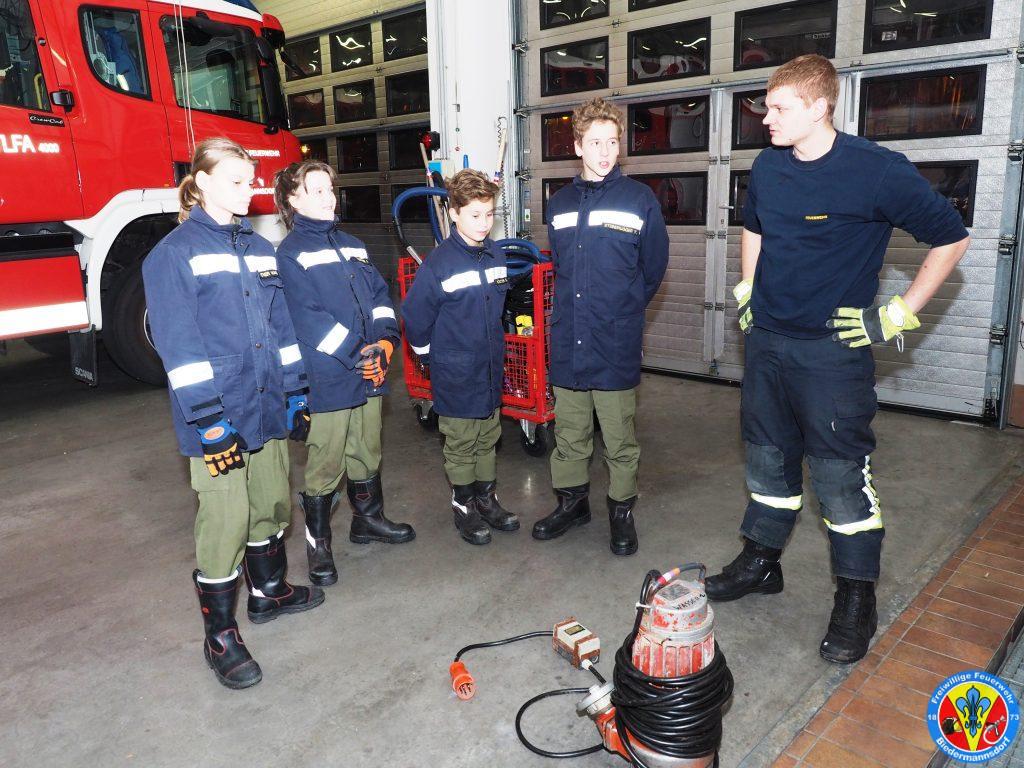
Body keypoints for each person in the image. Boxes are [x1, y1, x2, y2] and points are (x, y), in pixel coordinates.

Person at [704, 55, 971, 664]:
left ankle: (856, 597)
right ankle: (761, 562)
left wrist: (895, 315)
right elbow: (755, 228)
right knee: (767, 460)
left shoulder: (876, 171)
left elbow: (952, 238)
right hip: (767, 344)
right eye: (767, 106)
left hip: (832, 353)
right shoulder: (769, 165)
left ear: (821, 107)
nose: (766, 118)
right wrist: (748, 290)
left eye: (780, 108)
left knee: (838, 479)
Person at [143, 138, 324, 690]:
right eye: (236, 181)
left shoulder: (261, 249)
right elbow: (179, 349)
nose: (250, 191)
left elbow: (282, 329)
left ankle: (269, 593)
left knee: (270, 504)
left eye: (251, 181)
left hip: (266, 405)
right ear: (200, 183)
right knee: (225, 519)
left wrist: (296, 392)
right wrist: (210, 422)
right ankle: (220, 635)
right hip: (218, 415)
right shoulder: (173, 254)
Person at [533, 97, 669, 556]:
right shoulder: (559, 203)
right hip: (568, 338)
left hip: (614, 340)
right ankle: (572, 504)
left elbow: (653, 268)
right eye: (595, 143)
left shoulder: (639, 200)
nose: (605, 152)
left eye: (612, 142)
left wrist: (623, 309)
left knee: (618, 436)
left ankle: (621, 512)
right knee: (569, 432)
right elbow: (562, 267)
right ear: (577, 146)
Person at [273, 160, 415, 588]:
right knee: (326, 460)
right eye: (316, 190)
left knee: (366, 448)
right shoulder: (290, 254)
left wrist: (386, 341)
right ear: (293, 200)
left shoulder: (353, 244)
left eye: (330, 189)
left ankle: (367, 520)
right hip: (329, 375)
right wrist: (358, 353)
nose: (328, 197)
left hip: (370, 369)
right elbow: (309, 319)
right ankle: (318, 544)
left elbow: (380, 296)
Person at [401, 169, 519, 545]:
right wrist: (427, 357)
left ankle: (487, 500)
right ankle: (464, 505)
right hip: (455, 371)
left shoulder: (496, 254)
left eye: (489, 214)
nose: (484, 223)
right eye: (475, 215)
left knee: (488, 435)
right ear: (454, 213)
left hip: (489, 367)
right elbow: (414, 316)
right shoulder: (440, 263)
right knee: (461, 442)